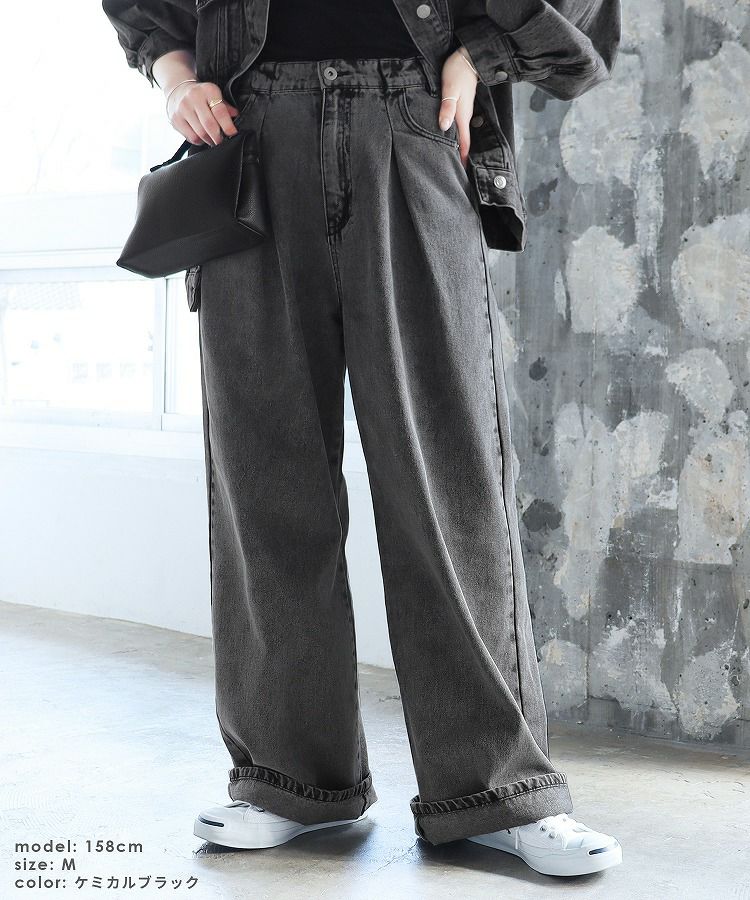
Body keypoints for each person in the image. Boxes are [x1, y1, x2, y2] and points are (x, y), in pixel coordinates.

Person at [103, 0, 622, 878]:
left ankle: (499, 789)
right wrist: (177, 78)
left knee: (448, 483)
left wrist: (479, 55)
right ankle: (288, 781)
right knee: (267, 482)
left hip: (415, 120)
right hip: (249, 132)